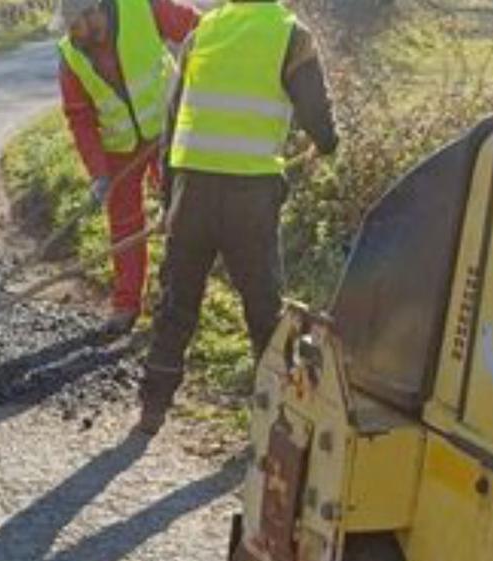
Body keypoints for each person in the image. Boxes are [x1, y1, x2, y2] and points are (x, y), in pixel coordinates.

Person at [137, 0, 339, 435]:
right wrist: (326, 143)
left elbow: (174, 119)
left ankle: (152, 408)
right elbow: (317, 116)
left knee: (177, 301)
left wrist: (169, 194)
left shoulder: (203, 31)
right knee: (263, 307)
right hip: (250, 194)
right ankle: (275, 418)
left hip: (192, 190)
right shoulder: (291, 34)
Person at [58, 0, 200, 336]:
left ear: (96, 13)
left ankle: (177, 304)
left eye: (76, 24)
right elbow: (79, 118)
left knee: (180, 217)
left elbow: (201, 32)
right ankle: (126, 306)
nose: (72, 33)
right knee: (124, 227)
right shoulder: (70, 54)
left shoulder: (144, 7)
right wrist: (98, 173)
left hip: (169, 132)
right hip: (118, 149)